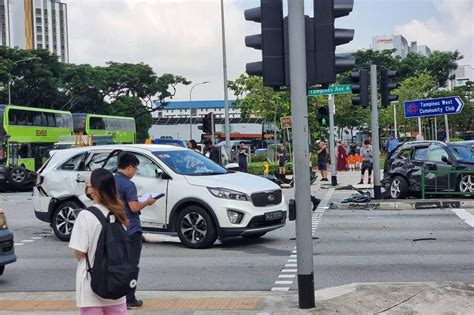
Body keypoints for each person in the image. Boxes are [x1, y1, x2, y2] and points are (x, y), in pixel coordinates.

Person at [69, 168, 128, 315]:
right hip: (116, 285)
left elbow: (79, 252)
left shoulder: (85, 216)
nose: (87, 188)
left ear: (95, 190)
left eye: (88, 185)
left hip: (91, 285)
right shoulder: (118, 214)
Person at [115, 152, 157, 309]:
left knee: (118, 264)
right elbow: (133, 207)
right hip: (131, 229)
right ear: (129, 167)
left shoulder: (110, 181)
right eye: (135, 169)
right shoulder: (128, 184)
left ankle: (116, 297)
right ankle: (129, 298)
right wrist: (146, 202)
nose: (135, 172)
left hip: (116, 228)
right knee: (132, 265)